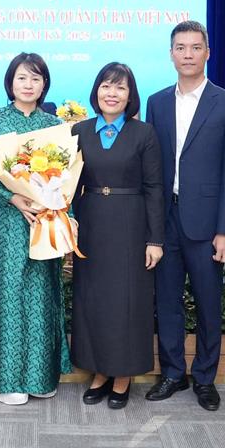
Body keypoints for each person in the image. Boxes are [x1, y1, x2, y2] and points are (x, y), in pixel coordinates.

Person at [144, 20, 225, 411]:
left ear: (207, 53)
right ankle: (172, 373)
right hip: (165, 219)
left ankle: (205, 377)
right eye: (180, 48)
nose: (188, 54)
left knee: (208, 303)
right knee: (167, 302)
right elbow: (152, 168)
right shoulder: (156, 102)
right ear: (171, 54)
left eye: (195, 47)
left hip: (207, 224)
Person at [0, 53, 72, 405]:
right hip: (8, 218)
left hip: (44, 218)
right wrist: (12, 196)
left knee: (41, 290)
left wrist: (60, 212)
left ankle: (39, 376)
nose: (28, 85)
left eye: (36, 78)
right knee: (8, 290)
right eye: (22, 78)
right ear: (10, 82)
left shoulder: (54, 124)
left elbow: (66, 175)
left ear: (44, 84)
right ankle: (3, 380)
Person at [70, 63, 164, 409]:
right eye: (106, 86)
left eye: (120, 87)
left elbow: (155, 188)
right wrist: (66, 223)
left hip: (131, 224)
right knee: (93, 300)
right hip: (92, 222)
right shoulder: (79, 131)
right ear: (96, 91)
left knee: (127, 302)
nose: (112, 93)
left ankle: (122, 376)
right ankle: (99, 371)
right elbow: (69, 187)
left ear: (130, 95)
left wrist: (155, 240)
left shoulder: (144, 134)